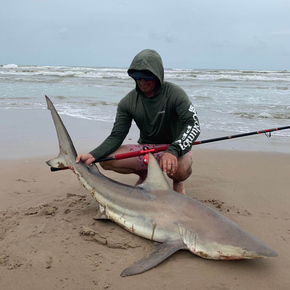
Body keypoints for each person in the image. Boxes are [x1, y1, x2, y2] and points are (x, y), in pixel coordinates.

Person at [75, 49, 200, 195]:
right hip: (147, 148)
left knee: (181, 168)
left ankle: (178, 182)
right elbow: (116, 136)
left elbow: (193, 124)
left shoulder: (174, 94)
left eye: (147, 78)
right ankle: (145, 175)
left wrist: (174, 150)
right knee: (106, 160)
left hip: (175, 147)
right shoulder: (127, 102)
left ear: (157, 75)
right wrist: (93, 155)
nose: (141, 82)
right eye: (137, 77)